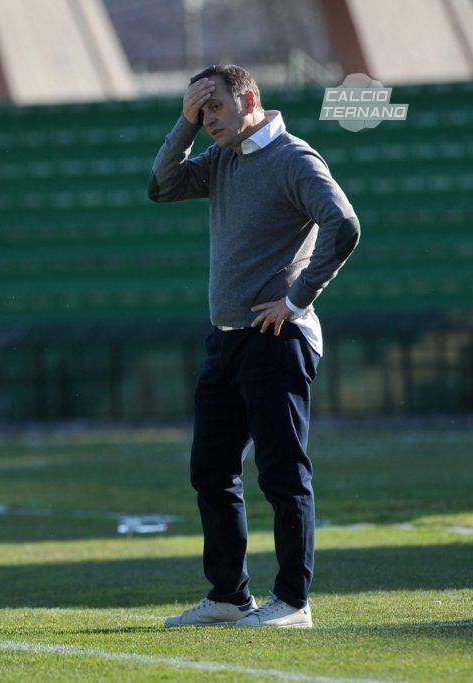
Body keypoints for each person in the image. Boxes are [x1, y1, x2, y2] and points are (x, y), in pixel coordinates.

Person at [149, 64, 359, 628]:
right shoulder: (222, 158)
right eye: (201, 113)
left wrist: (296, 300)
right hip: (226, 340)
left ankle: (293, 602)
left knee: (282, 473)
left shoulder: (293, 157)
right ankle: (228, 597)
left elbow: (343, 225)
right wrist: (184, 124)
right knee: (211, 471)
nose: (208, 121)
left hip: (277, 338)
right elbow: (161, 186)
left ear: (249, 100)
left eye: (215, 107)